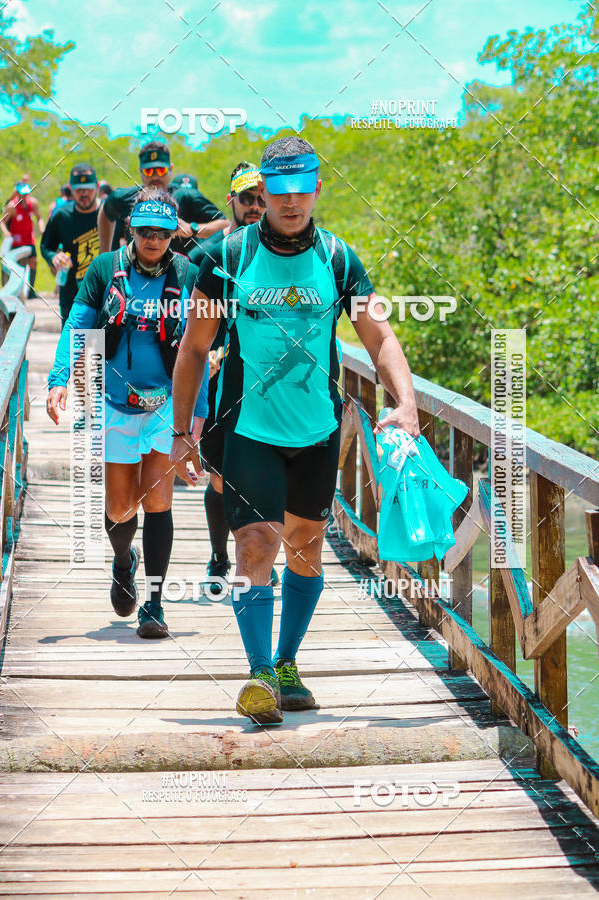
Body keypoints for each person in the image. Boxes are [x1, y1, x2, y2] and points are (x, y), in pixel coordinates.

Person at [170, 136, 420, 724]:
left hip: (317, 431)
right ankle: (258, 674)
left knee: (307, 548)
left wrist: (405, 402)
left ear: (315, 188)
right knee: (255, 544)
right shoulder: (227, 259)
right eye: (277, 191)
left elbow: (378, 337)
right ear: (263, 191)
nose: (289, 202)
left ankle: (286, 662)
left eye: (300, 190)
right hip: (248, 430)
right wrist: (182, 433)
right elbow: (193, 348)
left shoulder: (338, 259)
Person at [47, 187, 209, 639]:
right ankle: (124, 561)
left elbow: (200, 350)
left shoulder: (190, 274)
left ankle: (154, 605)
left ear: (174, 232)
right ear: (130, 230)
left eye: (162, 231)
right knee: (119, 506)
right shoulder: (104, 270)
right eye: (144, 231)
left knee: (158, 501)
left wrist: (196, 420)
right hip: (115, 403)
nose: (153, 239)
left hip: (164, 405)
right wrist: (60, 377)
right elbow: (77, 324)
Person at [188, 162, 269, 595]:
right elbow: (189, 333)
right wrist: (209, 355)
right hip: (217, 383)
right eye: (247, 199)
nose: (255, 207)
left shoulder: (284, 254)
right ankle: (220, 555)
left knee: (266, 472)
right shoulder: (207, 257)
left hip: (266, 385)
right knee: (219, 477)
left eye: (261, 198)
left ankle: (257, 557)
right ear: (230, 202)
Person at [97, 142, 228, 256]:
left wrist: (192, 229)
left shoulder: (186, 196)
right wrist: (105, 253)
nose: (155, 176)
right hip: (136, 275)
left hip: (179, 277)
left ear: (170, 169)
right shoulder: (125, 198)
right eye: (149, 171)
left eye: (161, 170)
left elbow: (225, 224)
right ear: (140, 170)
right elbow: (106, 211)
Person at [41, 164, 101, 326]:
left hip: (104, 296)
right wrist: (54, 256)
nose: (84, 193)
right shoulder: (61, 216)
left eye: (88, 188)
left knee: (98, 349)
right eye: (78, 189)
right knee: (76, 349)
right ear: (70, 189)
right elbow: (46, 246)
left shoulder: (108, 213)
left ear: (97, 187)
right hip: (72, 296)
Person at [0, 177, 45, 297]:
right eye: (22, 194)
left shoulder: (33, 203)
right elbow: (2, 222)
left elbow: (39, 218)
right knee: (15, 266)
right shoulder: (12, 206)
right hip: (16, 241)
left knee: (33, 262)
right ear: (17, 193)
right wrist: (6, 232)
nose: (24, 196)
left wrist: (42, 228)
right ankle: (13, 293)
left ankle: (31, 291)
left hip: (28, 239)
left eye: (26, 194)